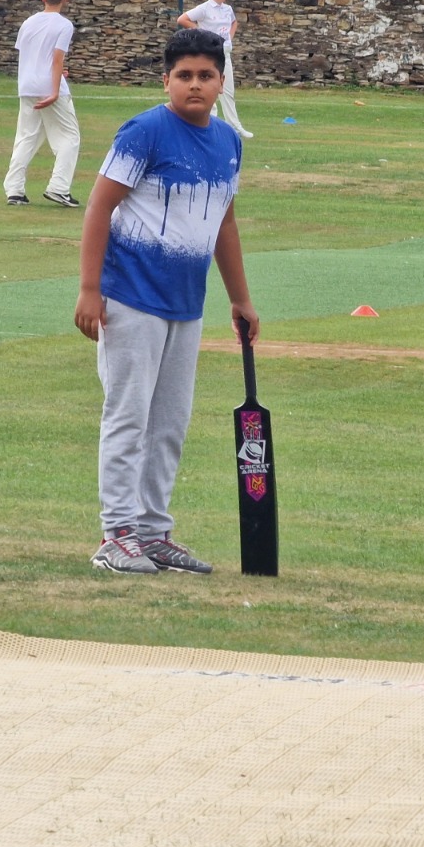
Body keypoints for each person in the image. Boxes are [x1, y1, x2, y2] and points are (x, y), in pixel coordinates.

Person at [75, 28, 258, 576]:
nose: (195, 85)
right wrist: (89, 289)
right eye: (184, 76)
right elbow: (99, 207)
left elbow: (224, 222)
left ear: (221, 82)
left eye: (205, 76)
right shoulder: (145, 132)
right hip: (130, 297)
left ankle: (153, 532)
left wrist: (241, 300)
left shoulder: (229, 141)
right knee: (129, 415)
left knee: (170, 422)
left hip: (187, 303)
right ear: (167, 80)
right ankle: (118, 534)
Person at [4, 0, 82, 209]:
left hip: (27, 85)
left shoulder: (28, 22)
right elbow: (56, 58)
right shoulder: (64, 25)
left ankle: (14, 190)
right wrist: (55, 89)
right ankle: (59, 188)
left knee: (27, 136)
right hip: (48, 87)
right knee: (70, 137)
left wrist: (56, 75)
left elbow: (34, 56)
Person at [178, 0, 252, 139]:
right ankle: (210, 124)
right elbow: (182, 19)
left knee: (227, 90)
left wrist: (230, 38)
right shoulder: (204, 8)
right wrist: (202, 33)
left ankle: (235, 126)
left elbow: (234, 23)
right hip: (209, 52)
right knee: (209, 87)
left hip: (224, 52)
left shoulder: (227, 9)